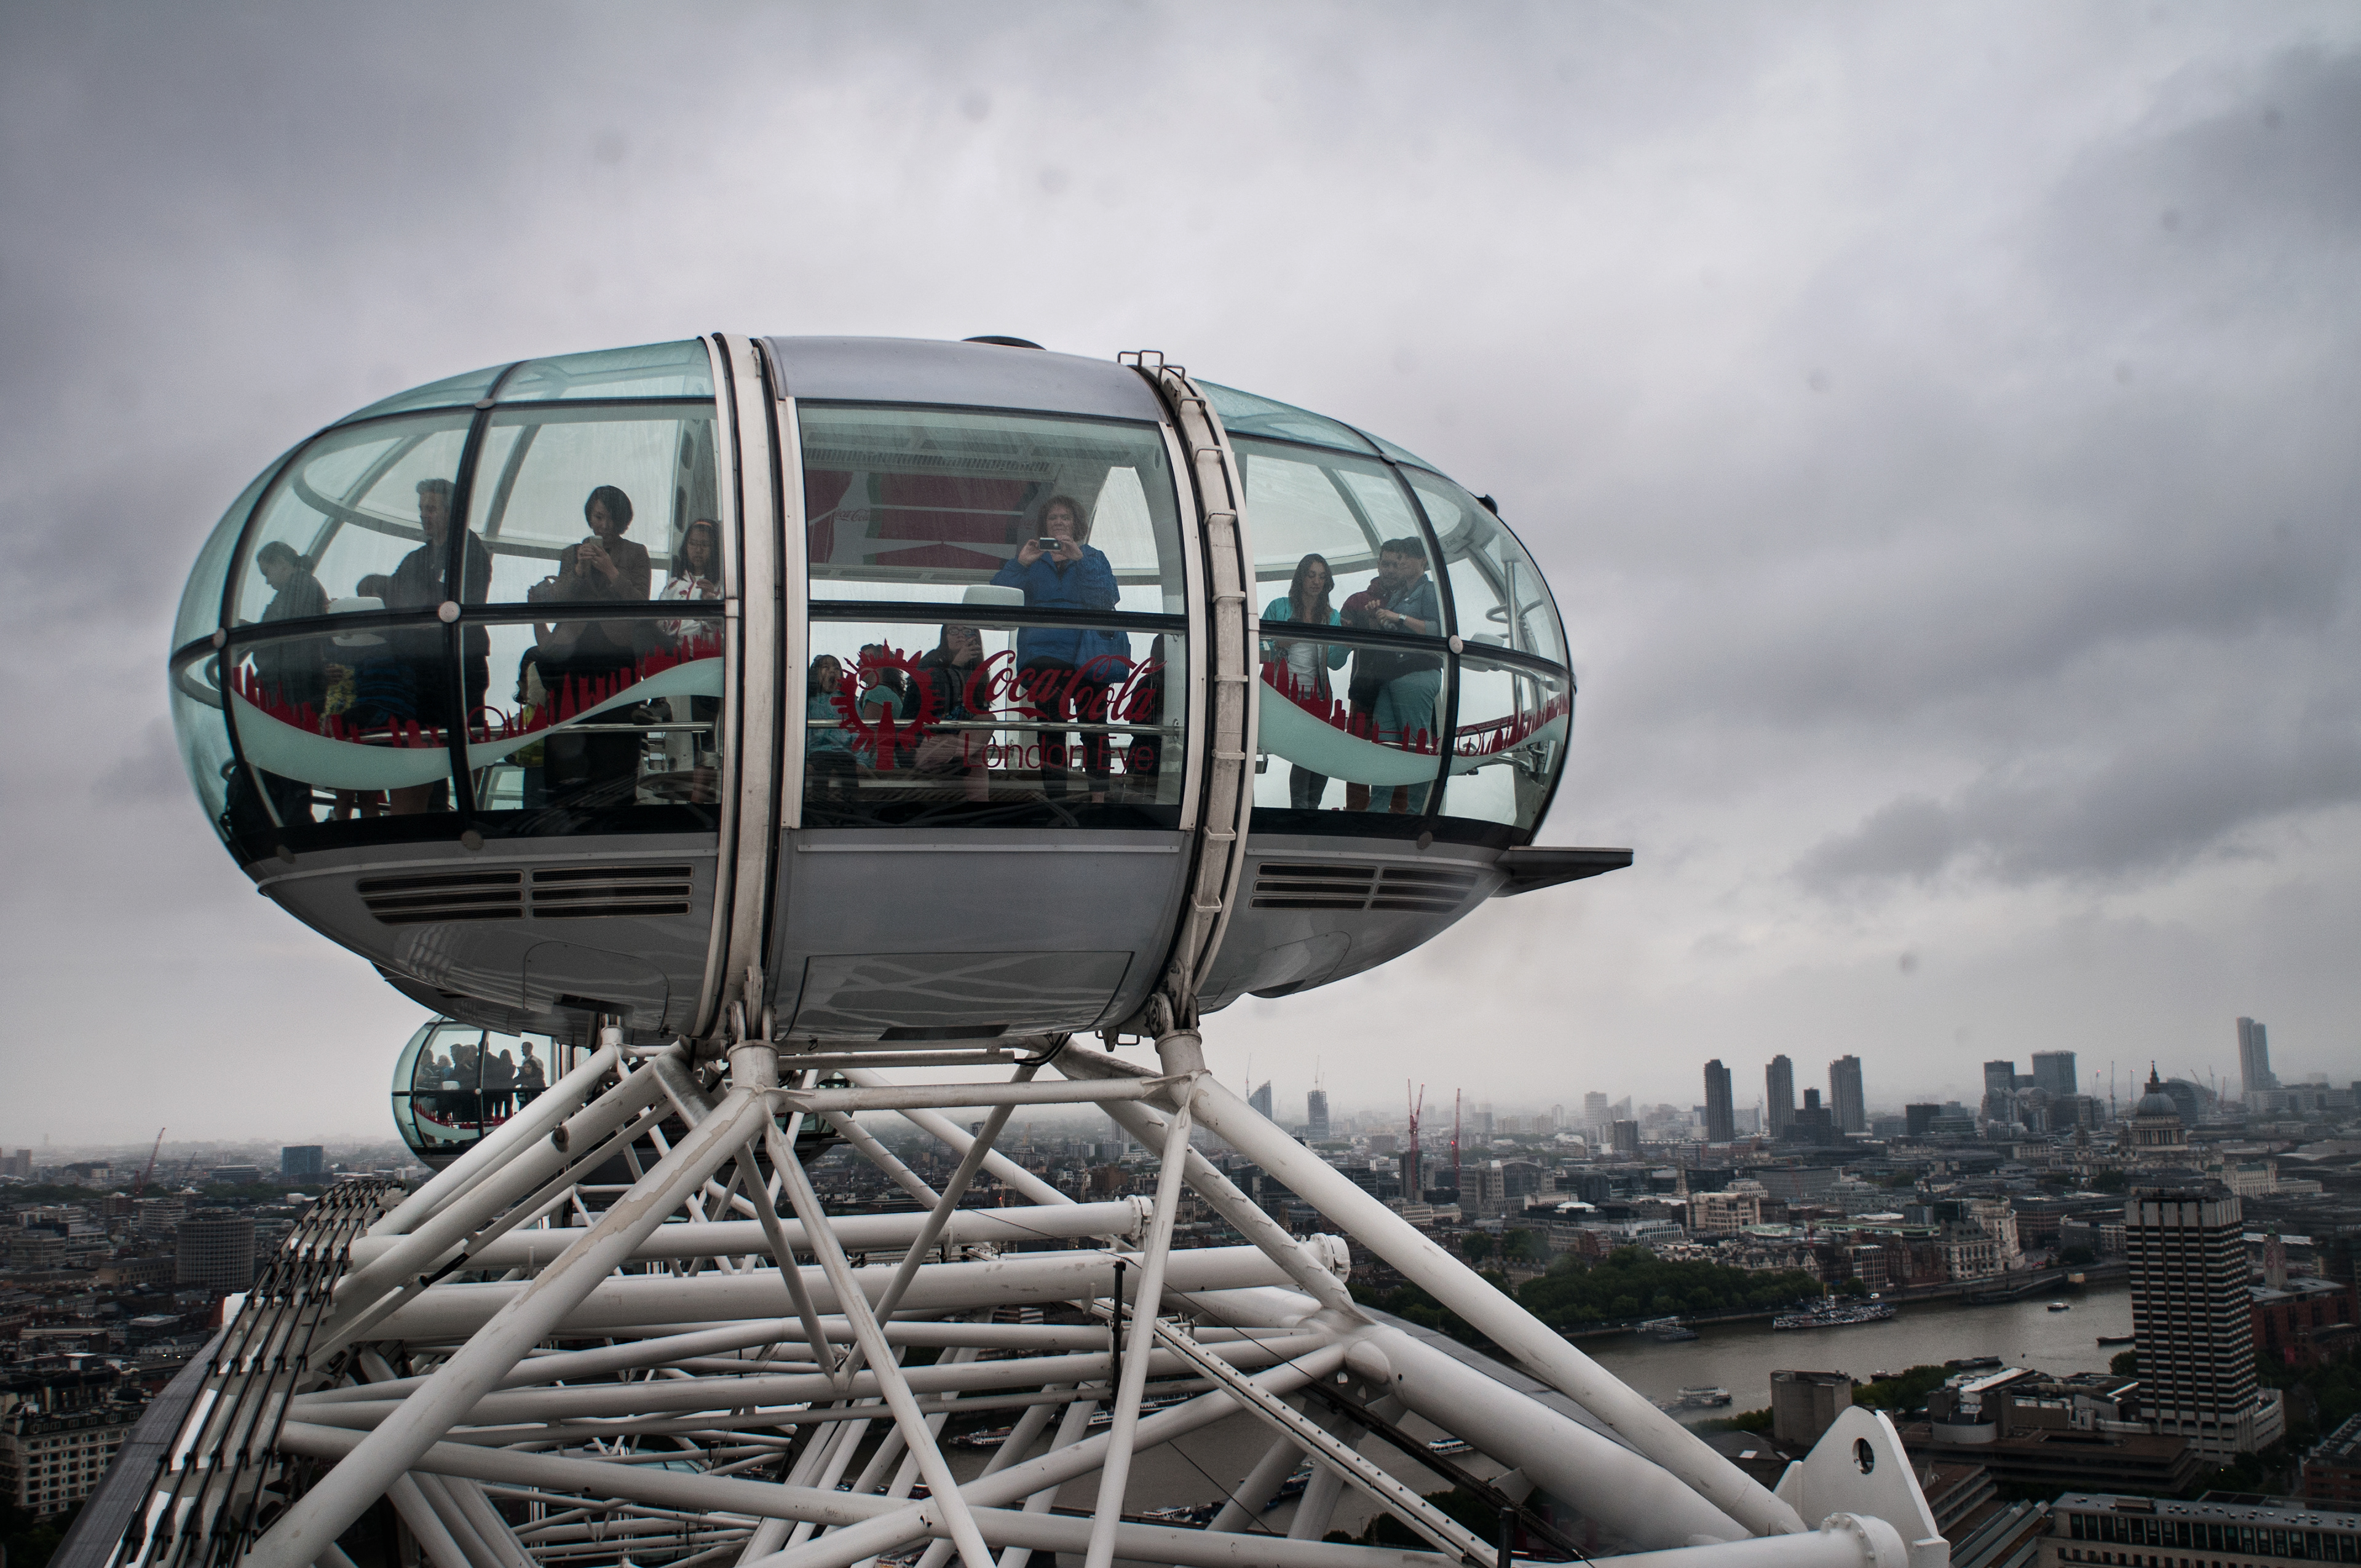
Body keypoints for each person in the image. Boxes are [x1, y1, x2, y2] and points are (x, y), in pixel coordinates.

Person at [988, 494, 1126, 803]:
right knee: (1051, 730)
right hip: (1044, 658)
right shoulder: (1032, 560)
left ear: (1077, 524)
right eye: (1053, 518)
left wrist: (1081, 559)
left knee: (1095, 728)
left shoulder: (1093, 557)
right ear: (1045, 525)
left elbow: (1107, 599)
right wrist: (1020, 564)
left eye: (1066, 517)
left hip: (1089, 655)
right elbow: (998, 596)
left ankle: (1099, 799)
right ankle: (1056, 799)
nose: (1060, 522)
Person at [536, 485, 653, 807]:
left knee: (616, 737)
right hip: (573, 654)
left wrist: (611, 571)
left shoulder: (636, 553)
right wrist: (578, 570)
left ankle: (615, 804)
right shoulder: (571, 553)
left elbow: (641, 605)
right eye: (597, 517)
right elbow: (558, 601)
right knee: (568, 734)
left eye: (609, 518)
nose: (602, 525)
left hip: (616, 656)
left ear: (622, 520)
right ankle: (562, 808)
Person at [1359, 536, 1444, 815]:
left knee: (1418, 745)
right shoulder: (1398, 595)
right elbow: (1393, 632)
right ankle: (1377, 811)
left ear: (1423, 561)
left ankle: (1418, 813)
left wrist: (1399, 618)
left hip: (1416, 674)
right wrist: (1378, 616)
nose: (1402, 561)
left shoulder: (1429, 591)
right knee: (1386, 744)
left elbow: (1438, 629)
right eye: (1400, 557)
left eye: (1407, 557)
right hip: (1391, 678)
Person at [248, 540, 331, 823]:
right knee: (288, 772)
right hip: (296, 690)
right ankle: (294, 822)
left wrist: (256, 637)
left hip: (295, 693)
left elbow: (282, 639)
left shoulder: (300, 588)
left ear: (283, 563)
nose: (267, 582)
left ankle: (296, 828)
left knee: (290, 772)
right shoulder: (301, 587)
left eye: (267, 573)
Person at [1260, 553, 1350, 810]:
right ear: (1301, 577)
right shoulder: (1279, 607)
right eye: (1311, 575)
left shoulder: (1332, 616)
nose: (1316, 581)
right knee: (1307, 750)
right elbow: (1256, 646)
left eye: (1322, 577)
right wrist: (1281, 643)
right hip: (1281, 692)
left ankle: (1308, 808)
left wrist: (1348, 643)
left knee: (1319, 751)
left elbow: (1335, 662)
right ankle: (1304, 809)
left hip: (1316, 693)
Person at [911, 624, 989, 801]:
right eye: (953, 630)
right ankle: (959, 762)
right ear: (944, 636)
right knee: (973, 759)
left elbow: (980, 710)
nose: (960, 635)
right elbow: (937, 704)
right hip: (928, 739)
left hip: (960, 745)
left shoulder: (976, 670)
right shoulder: (930, 662)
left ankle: (959, 763)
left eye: (966, 630)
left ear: (975, 637)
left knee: (987, 719)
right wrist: (957, 666)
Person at [805, 655, 858, 806]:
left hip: (843, 752)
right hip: (818, 752)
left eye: (836, 668)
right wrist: (805, 760)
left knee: (850, 773)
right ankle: (819, 806)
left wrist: (862, 761)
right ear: (816, 674)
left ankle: (851, 807)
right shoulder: (809, 701)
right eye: (826, 667)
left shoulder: (849, 701)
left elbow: (858, 731)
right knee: (821, 772)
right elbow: (803, 734)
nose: (832, 671)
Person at [515, 1042, 547, 1107]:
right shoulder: (524, 1061)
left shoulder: (537, 1061)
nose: (522, 1050)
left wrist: (529, 1084)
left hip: (533, 1093)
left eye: (524, 1048)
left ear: (530, 1048)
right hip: (525, 1094)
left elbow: (539, 1075)